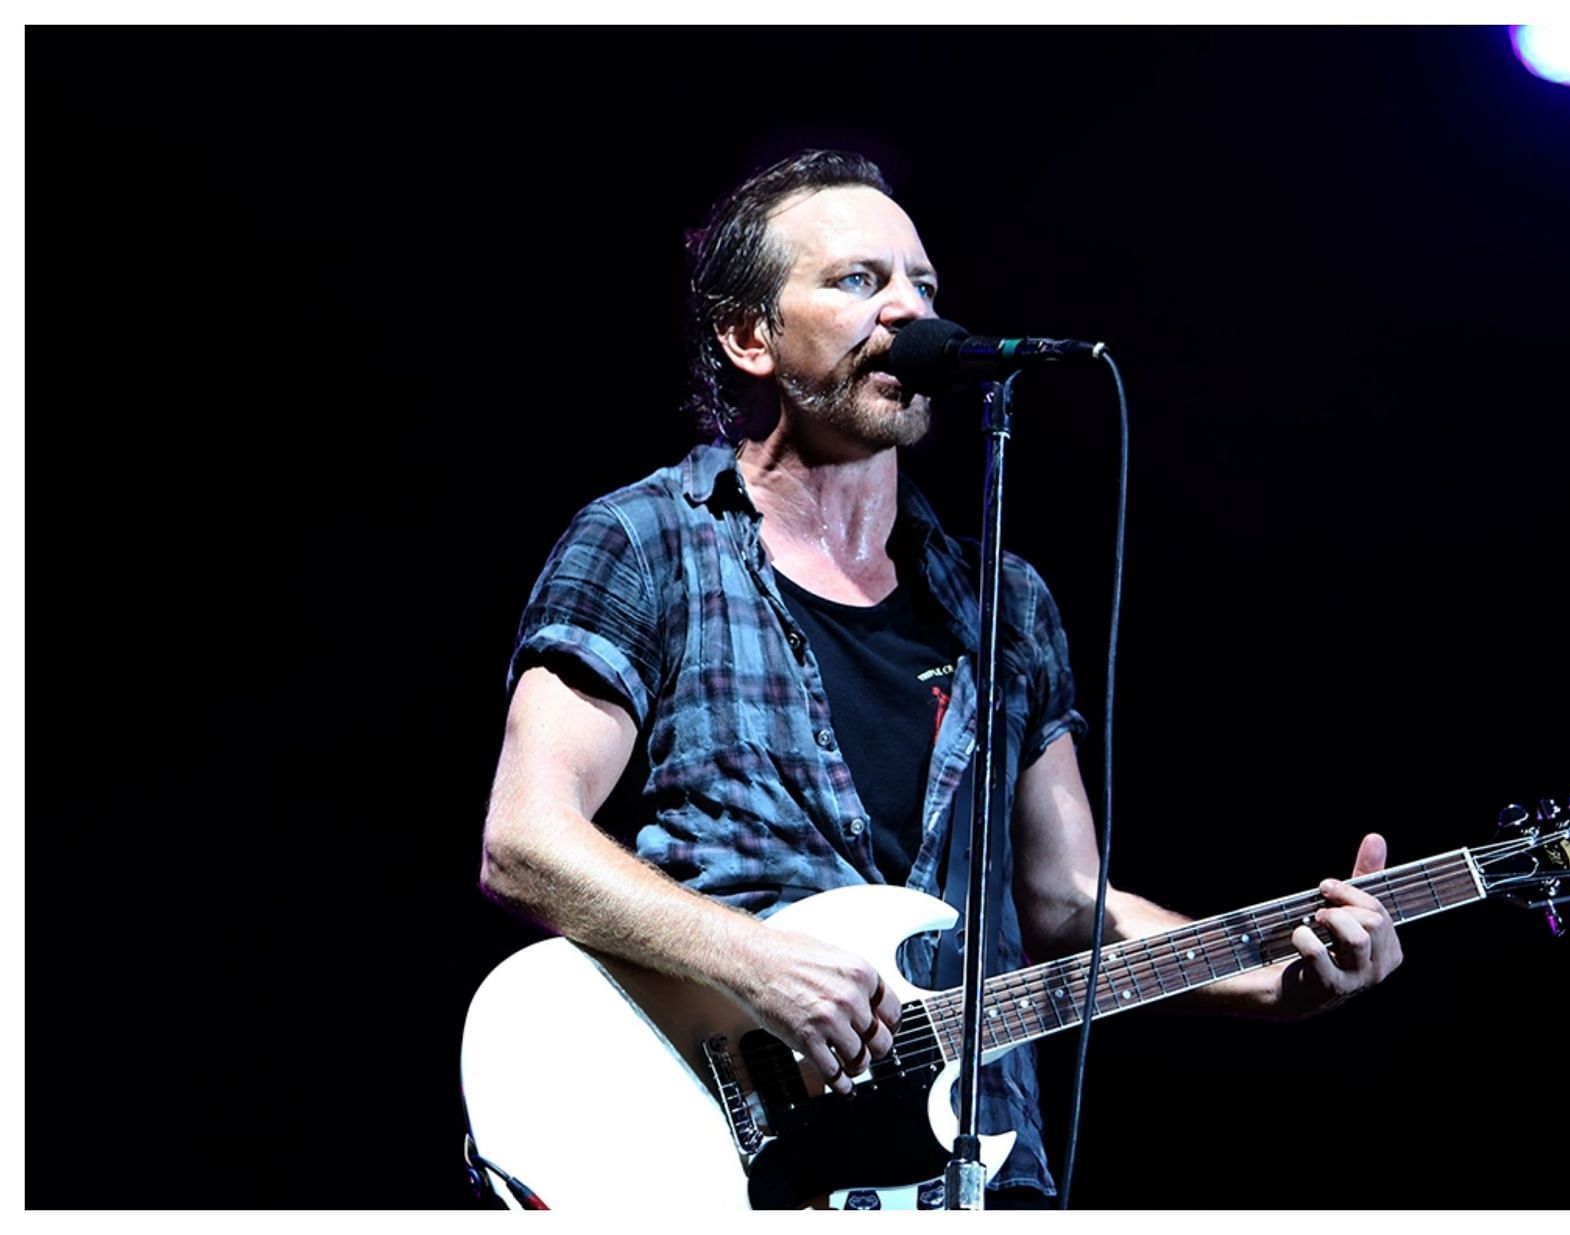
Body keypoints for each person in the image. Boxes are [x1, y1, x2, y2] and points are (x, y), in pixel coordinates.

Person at [478, 149, 1403, 1207]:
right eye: (859, 281)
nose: (909, 311)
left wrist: (1264, 980)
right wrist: (758, 963)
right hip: (714, 1151)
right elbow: (526, 839)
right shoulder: (648, 542)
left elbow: (1067, 906)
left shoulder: (1006, 603)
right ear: (749, 336)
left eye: (923, 286)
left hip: (969, 1168)